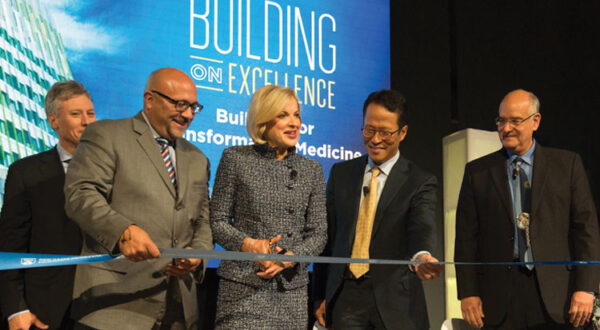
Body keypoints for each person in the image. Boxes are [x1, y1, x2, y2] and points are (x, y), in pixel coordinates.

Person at [64, 68, 213, 329]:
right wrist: (122, 231)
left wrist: (198, 255)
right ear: (149, 99)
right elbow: (80, 194)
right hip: (113, 306)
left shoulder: (198, 159)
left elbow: (202, 220)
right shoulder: (107, 134)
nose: (188, 114)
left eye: (193, 107)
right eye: (180, 104)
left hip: (179, 312)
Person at [455, 89, 600, 329]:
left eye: (515, 120)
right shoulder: (477, 172)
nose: (506, 128)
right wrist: (468, 293)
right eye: (501, 120)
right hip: (498, 296)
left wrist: (586, 287)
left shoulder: (567, 165)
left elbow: (586, 229)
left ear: (535, 121)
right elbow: (466, 239)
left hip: (557, 294)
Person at [312, 89, 443, 329]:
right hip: (345, 298)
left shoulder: (420, 180)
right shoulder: (341, 174)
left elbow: (421, 226)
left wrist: (422, 256)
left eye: (385, 132)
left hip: (396, 302)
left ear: (402, 132)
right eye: (369, 129)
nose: (375, 139)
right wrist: (320, 295)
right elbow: (327, 238)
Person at [210, 85, 327, 329]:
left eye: (296, 115)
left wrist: (290, 259)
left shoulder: (312, 169)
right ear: (263, 119)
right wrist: (251, 246)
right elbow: (218, 222)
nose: (294, 122)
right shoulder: (235, 158)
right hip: (243, 290)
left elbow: (318, 234)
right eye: (283, 115)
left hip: (291, 294)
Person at [0, 80, 96, 330]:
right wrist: (15, 308)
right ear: (53, 121)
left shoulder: (116, 172)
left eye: (90, 113)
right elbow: (10, 247)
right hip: (46, 311)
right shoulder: (26, 173)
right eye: (76, 114)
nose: (87, 121)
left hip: (105, 308)